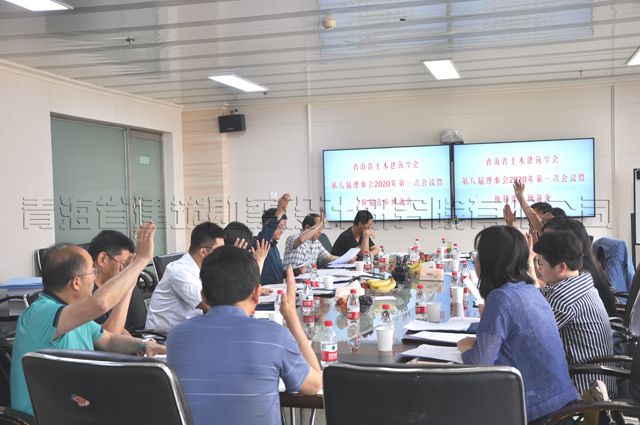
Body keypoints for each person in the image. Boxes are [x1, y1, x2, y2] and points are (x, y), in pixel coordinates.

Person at [10, 223, 165, 416]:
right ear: (76, 282)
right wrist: (141, 261)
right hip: (44, 416)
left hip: (75, 408)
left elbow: (109, 340)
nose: (95, 277)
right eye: (92, 272)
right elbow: (100, 303)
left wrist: (145, 345)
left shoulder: (72, 315)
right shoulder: (41, 313)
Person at [167, 246, 322, 425]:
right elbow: (314, 385)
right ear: (256, 293)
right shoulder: (275, 337)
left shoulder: (176, 337)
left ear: (204, 297)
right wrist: (292, 317)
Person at [457, 225, 577, 424]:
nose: (475, 260)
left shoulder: (500, 298)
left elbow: (480, 366)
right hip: (560, 406)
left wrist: (466, 349)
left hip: (536, 413)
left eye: (477, 255)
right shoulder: (529, 290)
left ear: (490, 260)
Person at [533, 231, 616, 397]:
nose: (538, 268)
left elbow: (531, 334)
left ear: (561, 267)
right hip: (599, 381)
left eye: (540, 263)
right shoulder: (580, 282)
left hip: (586, 392)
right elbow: (543, 293)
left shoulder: (564, 300)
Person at [145, 221, 224, 332]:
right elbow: (210, 307)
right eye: (220, 251)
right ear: (203, 252)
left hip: (190, 330)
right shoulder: (180, 271)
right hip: (164, 337)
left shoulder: (204, 269)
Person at [542, 217, 617, 317]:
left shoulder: (581, 271)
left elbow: (554, 303)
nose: (544, 245)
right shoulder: (582, 263)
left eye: (550, 241)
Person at [88, 230, 146, 333]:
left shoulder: (113, 289)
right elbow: (107, 336)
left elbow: (123, 331)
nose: (126, 270)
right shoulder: (86, 295)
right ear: (102, 259)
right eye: (124, 264)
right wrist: (128, 284)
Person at [256, 193, 290, 284]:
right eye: (279, 227)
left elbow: (277, 275)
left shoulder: (274, 247)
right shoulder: (259, 242)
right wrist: (280, 211)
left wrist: (295, 271)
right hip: (265, 291)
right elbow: (268, 230)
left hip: (276, 289)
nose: (282, 231)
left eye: (283, 228)